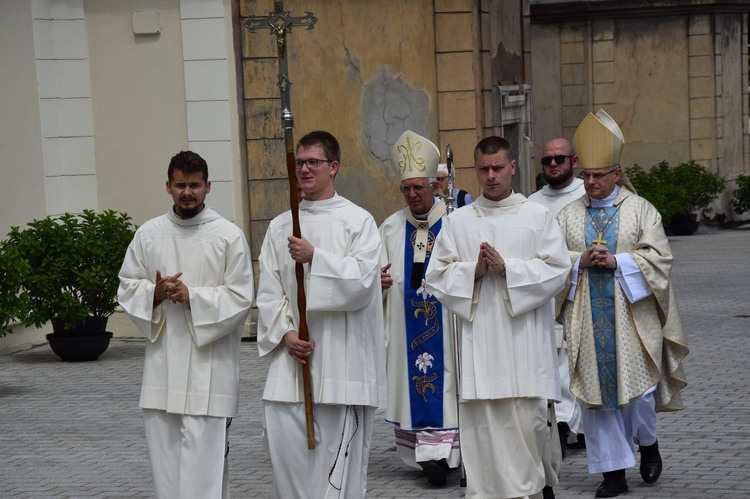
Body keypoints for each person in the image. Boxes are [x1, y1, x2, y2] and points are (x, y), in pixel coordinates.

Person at [425, 136, 571, 499]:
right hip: (480, 358)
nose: (490, 176)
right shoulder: (458, 223)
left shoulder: (537, 217)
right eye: (483, 169)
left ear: (513, 167)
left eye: (497, 168)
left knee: (529, 426)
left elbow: (558, 271)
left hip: (526, 351)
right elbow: (435, 277)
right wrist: (472, 272)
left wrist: (509, 270)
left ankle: (533, 490)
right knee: (485, 440)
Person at [556, 110, 689, 498]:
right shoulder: (567, 216)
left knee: (639, 397)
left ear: (617, 172)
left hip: (631, 318)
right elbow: (552, 261)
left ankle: (648, 442)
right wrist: (577, 261)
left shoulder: (640, 209)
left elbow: (659, 258)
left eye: (599, 176)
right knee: (599, 401)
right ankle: (612, 473)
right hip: (587, 318)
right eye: (587, 176)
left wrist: (619, 261)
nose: (591, 183)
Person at [256, 130, 386, 499]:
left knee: (336, 471)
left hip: (342, 367)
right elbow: (269, 292)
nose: (304, 169)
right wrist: (285, 334)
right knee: (289, 460)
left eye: (313, 162)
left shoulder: (358, 221)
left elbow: (363, 282)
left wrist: (316, 258)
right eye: (299, 162)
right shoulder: (280, 225)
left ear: (334, 167)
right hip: (292, 366)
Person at [118, 150, 255, 499]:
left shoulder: (228, 236)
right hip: (162, 373)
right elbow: (127, 286)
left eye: (194, 185)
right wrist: (156, 293)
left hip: (210, 372)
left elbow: (242, 298)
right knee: (165, 470)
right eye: (180, 185)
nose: (187, 192)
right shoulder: (148, 234)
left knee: (204, 473)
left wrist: (193, 296)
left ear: (209, 186)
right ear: (168, 186)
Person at [379, 130, 459, 486]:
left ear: (435, 186)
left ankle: (443, 456)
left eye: (419, 188)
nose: (412, 195)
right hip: (404, 329)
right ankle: (429, 456)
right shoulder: (391, 227)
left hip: (449, 330)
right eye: (406, 189)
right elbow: (375, 271)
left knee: (449, 387)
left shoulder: (457, 223)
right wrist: (376, 283)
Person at [528, 138, 587, 456]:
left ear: (574, 161)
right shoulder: (532, 203)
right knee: (557, 359)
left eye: (559, 159)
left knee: (583, 361)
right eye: (546, 160)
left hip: (585, 292)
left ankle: (583, 426)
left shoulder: (588, 193)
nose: (553, 164)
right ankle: (561, 426)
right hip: (549, 296)